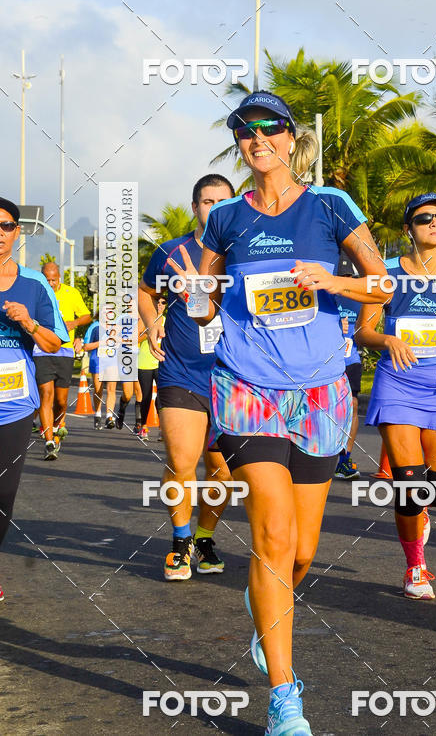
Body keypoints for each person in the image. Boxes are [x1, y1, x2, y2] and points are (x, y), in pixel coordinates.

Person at [170, 91, 389, 736]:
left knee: (300, 550)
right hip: (247, 387)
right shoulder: (227, 220)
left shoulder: (330, 206)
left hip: (322, 391)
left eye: (269, 128)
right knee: (271, 536)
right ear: (238, 144)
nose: (257, 138)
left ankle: (268, 598)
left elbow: (382, 282)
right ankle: (284, 697)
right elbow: (208, 310)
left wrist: (333, 283)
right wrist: (198, 296)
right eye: (245, 129)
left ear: (292, 139)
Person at [356, 193, 436, 600]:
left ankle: (423, 516)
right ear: (409, 230)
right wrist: (387, 339)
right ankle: (415, 566)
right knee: (408, 486)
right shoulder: (385, 273)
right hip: (398, 382)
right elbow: (363, 331)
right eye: (424, 219)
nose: (435, 224)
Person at [139, 174, 236, 582]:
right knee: (182, 461)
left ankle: (204, 536)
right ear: (195, 206)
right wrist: (151, 322)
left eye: (222, 202)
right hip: (182, 371)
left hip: (235, 376)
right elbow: (145, 292)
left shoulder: (246, 251)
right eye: (206, 201)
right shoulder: (171, 250)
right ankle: (180, 543)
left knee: (223, 470)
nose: (213, 208)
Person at [0, 198, 69, 599]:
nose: (0, 233)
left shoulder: (34, 283)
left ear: (16, 232)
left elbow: (55, 340)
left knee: (4, 495)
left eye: (7, 226)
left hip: (13, 406)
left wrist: (27, 321)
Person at [33, 262, 92, 458]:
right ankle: (49, 440)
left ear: (60, 277)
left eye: (54, 279)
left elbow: (86, 316)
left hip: (64, 352)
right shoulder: (36, 293)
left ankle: (57, 428)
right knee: (46, 394)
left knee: (61, 401)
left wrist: (74, 323)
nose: (50, 283)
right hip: (41, 350)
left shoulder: (71, 293)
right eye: (47, 279)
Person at [334, 253, 363, 479]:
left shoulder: (359, 299)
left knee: (352, 405)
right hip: (324, 361)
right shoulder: (323, 295)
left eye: (348, 275)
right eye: (340, 274)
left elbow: (368, 329)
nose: (344, 278)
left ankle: (344, 458)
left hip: (351, 360)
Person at [136, 299, 166, 439]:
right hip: (145, 362)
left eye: (163, 302)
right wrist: (149, 332)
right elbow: (135, 338)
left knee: (162, 398)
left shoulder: (168, 321)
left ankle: (162, 429)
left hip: (162, 363)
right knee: (146, 396)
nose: (160, 305)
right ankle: (144, 426)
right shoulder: (145, 320)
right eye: (157, 302)